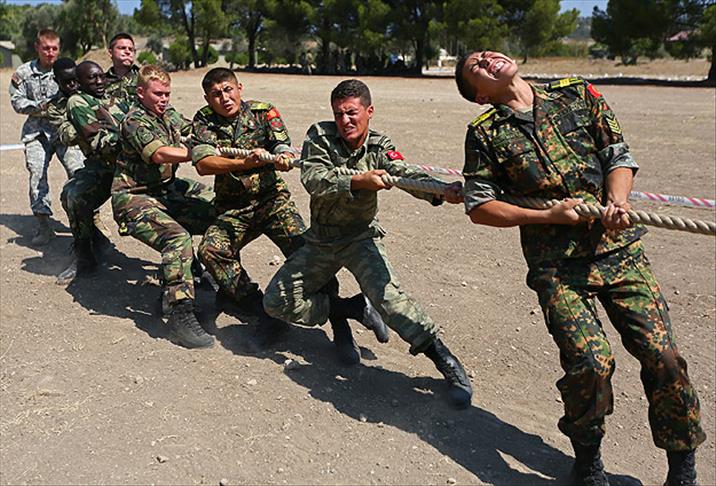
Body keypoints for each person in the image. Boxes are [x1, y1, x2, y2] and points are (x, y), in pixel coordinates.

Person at [455, 50, 705, 485]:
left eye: (486, 52)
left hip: (618, 251)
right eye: (476, 66)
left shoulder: (577, 94)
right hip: (557, 266)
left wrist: (617, 201)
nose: (487, 58)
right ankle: (587, 460)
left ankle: (682, 465)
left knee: (663, 357)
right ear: (479, 95)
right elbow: (480, 206)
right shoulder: (485, 133)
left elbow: (618, 155)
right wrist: (547, 215)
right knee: (590, 362)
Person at [263, 79, 472, 408]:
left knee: (391, 301)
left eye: (352, 112)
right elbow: (314, 179)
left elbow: (402, 173)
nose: (345, 120)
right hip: (321, 240)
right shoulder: (320, 135)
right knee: (276, 302)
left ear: (369, 111)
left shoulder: (378, 145)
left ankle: (445, 361)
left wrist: (441, 190)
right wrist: (360, 180)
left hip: (360, 238)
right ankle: (351, 308)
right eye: (339, 114)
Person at [191, 68, 387, 359]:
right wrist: (245, 163)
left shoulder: (263, 112)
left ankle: (340, 325)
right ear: (208, 98)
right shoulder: (204, 120)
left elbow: (281, 143)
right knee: (211, 250)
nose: (224, 98)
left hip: (272, 201)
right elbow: (203, 163)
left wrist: (283, 155)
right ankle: (265, 312)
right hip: (234, 208)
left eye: (228, 90)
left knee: (310, 256)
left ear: (239, 88)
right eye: (216, 94)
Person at [113, 65, 216, 349]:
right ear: (140, 92)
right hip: (133, 198)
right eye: (157, 94)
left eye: (167, 94)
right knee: (177, 237)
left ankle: (205, 273)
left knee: (219, 207)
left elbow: (193, 130)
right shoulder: (133, 120)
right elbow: (159, 153)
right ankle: (179, 314)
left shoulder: (167, 114)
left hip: (165, 191)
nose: (164, 99)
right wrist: (196, 154)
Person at [8, 29, 84, 246]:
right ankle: (43, 225)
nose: (50, 52)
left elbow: (81, 94)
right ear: (37, 47)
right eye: (46, 48)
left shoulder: (68, 70)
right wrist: (40, 107)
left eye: (54, 48)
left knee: (79, 172)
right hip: (36, 133)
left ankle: (90, 219)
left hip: (64, 131)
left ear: (59, 49)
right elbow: (16, 101)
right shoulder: (23, 72)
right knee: (37, 175)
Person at [58, 61, 129, 283]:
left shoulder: (117, 98)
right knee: (73, 195)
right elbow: (97, 139)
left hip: (130, 166)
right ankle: (85, 256)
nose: (99, 81)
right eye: (92, 78)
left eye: (101, 76)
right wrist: (131, 139)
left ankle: (190, 266)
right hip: (103, 167)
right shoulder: (78, 101)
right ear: (79, 82)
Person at [105, 32, 139, 103]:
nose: (127, 52)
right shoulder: (101, 82)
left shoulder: (144, 79)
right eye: (122, 48)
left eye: (131, 49)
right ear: (110, 53)